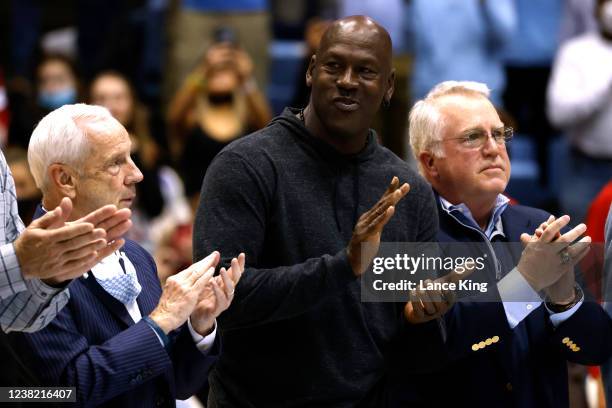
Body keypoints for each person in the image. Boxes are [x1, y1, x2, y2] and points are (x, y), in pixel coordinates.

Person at [194, 16, 451, 407]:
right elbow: (221, 300)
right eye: (334, 65)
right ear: (312, 71)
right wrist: (344, 266)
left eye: (365, 71)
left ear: (388, 87)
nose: (347, 81)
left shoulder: (406, 191)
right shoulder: (246, 165)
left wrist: (423, 320)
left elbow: (408, 347)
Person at [8, 104, 244, 406]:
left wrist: (198, 325)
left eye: (131, 157)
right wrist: (161, 321)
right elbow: (67, 391)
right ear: (65, 179)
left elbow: (174, 385)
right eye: (115, 162)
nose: (137, 174)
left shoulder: (136, 255)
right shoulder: (25, 273)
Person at [408, 80, 612, 406]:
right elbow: (432, 349)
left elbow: (594, 349)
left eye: (499, 134)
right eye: (473, 137)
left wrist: (565, 301)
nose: (494, 148)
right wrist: (526, 283)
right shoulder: (407, 233)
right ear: (431, 163)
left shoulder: (536, 223)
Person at [168, 39, 271, 207]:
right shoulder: (193, 118)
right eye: (216, 72)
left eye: (227, 71)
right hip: (195, 210)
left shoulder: (246, 119)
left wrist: (246, 79)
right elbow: (173, 117)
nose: (221, 75)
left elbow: (267, 125)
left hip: (239, 207)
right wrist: (203, 70)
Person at [547, 0, 612, 225]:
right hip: (587, 169)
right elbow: (558, 115)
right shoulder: (576, 52)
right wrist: (604, 89)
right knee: (578, 249)